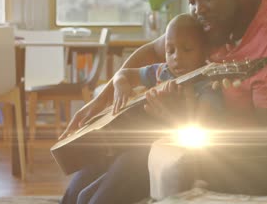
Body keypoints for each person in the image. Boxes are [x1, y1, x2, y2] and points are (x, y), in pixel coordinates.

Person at [60, 0, 267, 203]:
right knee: (77, 188)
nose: (198, 9)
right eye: (192, 1)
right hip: (172, 134)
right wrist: (100, 102)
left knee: (95, 197)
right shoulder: (212, 25)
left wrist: (179, 117)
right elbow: (152, 50)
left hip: (220, 157)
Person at [61, 14, 223, 204]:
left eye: (187, 50)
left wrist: (174, 111)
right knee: (79, 192)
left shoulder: (208, 87)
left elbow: (198, 130)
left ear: (204, 51)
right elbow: (124, 75)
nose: (177, 57)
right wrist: (120, 84)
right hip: (132, 141)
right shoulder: (163, 71)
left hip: (152, 150)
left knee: (90, 198)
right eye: (170, 50)